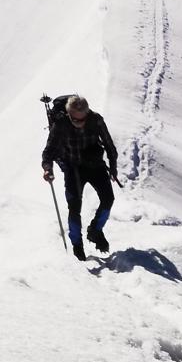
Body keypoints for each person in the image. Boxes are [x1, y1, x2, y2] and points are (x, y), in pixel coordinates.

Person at [41, 94, 119, 260]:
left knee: (108, 199)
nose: (80, 123)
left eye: (83, 119)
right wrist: (48, 168)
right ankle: (77, 247)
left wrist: (113, 167)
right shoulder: (61, 124)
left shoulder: (96, 120)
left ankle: (95, 230)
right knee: (74, 208)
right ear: (69, 114)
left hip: (95, 165)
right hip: (73, 168)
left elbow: (109, 144)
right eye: (75, 120)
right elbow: (49, 150)